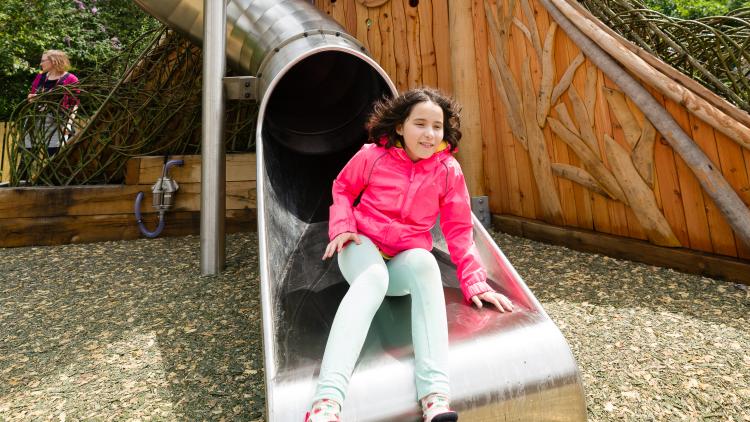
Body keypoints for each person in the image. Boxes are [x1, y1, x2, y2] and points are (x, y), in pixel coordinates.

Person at [306, 87, 514, 422]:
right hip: (362, 248)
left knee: (425, 263)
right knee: (373, 277)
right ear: (400, 126)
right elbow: (342, 188)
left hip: (404, 257)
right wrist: (343, 225)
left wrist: (475, 282)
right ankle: (326, 403)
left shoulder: (447, 171)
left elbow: (459, 230)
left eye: (437, 126)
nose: (429, 133)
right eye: (420, 123)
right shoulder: (372, 156)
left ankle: (435, 398)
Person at [25, 49, 79, 157]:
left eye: (43, 60)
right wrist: (31, 98)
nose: (41, 64)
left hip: (57, 124)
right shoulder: (40, 77)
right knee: (29, 157)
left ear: (54, 61)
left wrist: (68, 125)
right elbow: (31, 98)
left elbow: (75, 104)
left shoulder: (71, 79)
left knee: (54, 157)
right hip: (35, 122)